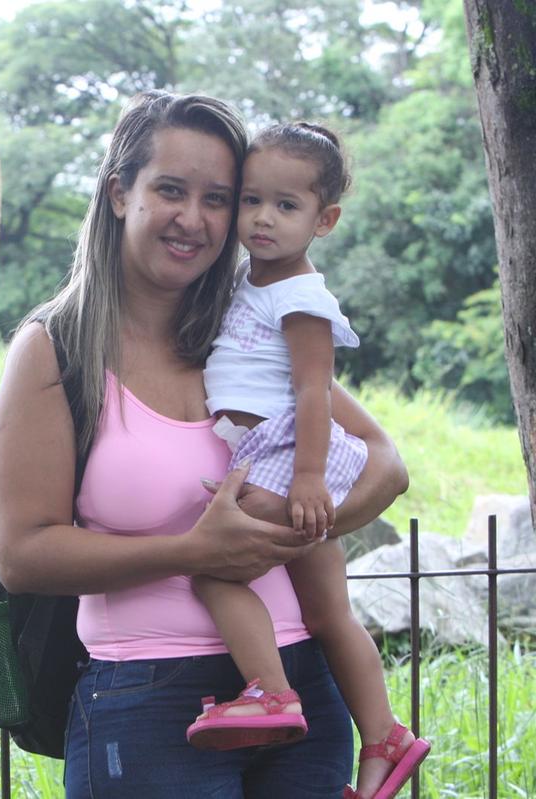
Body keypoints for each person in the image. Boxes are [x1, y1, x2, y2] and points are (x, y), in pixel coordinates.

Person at [0, 91, 409, 797]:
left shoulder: (250, 331)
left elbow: (386, 463)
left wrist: (293, 525)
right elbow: (22, 553)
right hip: (147, 699)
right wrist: (196, 552)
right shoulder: (55, 349)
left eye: (219, 197)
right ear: (121, 193)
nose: (195, 218)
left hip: (304, 688)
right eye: (171, 190)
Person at [187, 123, 430, 799]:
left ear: (324, 220)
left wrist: (307, 479)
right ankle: (385, 737)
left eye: (286, 206)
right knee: (328, 612)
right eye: (251, 200)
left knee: (212, 567)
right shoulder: (249, 279)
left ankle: (270, 692)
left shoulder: (302, 298)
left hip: (287, 452)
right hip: (274, 451)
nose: (263, 218)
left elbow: (312, 392)